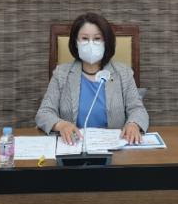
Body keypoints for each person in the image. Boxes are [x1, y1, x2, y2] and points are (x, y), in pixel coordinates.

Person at [36, 12, 149, 145]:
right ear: (76, 43)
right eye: (84, 38)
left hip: (114, 148)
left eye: (97, 39)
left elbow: (138, 109)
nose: (91, 44)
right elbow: (44, 113)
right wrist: (61, 125)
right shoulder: (61, 74)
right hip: (73, 146)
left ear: (106, 42)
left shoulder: (123, 73)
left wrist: (133, 124)